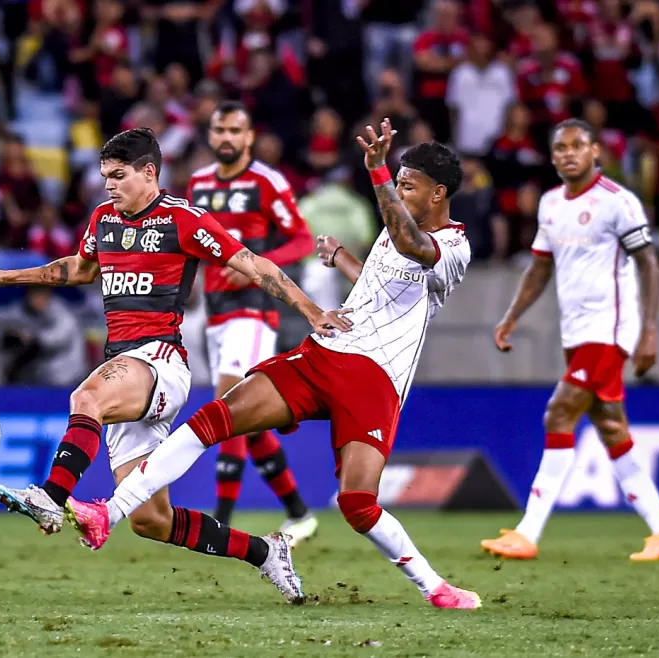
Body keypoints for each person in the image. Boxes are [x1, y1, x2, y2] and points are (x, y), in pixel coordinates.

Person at [66, 120, 483, 611]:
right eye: (396, 181)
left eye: (406, 184)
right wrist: (343, 258)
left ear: (438, 194)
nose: (397, 189)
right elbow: (384, 277)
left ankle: (435, 587)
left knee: (357, 504)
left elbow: (414, 248)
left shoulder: (455, 247)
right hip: (323, 354)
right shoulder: (394, 235)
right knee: (216, 415)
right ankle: (109, 514)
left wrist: (376, 173)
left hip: (375, 380)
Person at [0, 128, 351, 602]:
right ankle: (265, 552)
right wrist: (1, 276)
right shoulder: (103, 219)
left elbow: (252, 263)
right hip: (126, 365)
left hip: (160, 359)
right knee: (152, 521)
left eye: (118, 175)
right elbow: (76, 270)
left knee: (86, 397)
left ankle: (51, 497)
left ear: (149, 173)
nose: (108, 185)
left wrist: (311, 310)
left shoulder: (183, 220)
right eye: (105, 176)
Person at [481, 119, 659, 562]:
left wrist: (649, 330)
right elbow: (540, 267)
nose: (569, 154)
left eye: (578, 146)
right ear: (553, 156)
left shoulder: (618, 202)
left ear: (596, 151)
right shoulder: (551, 204)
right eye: (560, 148)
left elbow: (649, 264)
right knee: (611, 426)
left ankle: (527, 532)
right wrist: (512, 316)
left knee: (558, 414)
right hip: (575, 332)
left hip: (609, 329)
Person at [187, 101, 318, 542]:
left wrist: (254, 264)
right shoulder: (199, 183)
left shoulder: (267, 182)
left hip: (254, 312)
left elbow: (301, 239)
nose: (226, 137)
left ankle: (219, 519)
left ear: (249, 137)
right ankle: (299, 513)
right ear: (210, 135)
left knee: (227, 403)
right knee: (249, 419)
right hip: (215, 311)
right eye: (219, 129)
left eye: (234, 131)